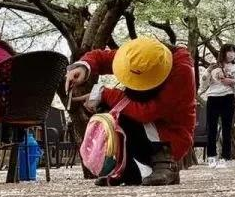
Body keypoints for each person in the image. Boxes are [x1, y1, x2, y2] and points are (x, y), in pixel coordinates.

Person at [66, 37, 196, 186]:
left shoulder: (182, 70)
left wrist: (105, 94)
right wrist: (83, 67)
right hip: (146, 127)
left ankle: (167, 164)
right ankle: (127, 171)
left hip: (171, 134)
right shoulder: (137, 56)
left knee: (119, 106)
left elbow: (150, 111)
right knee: (113, 112)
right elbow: (101, 57)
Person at [199, 43, 235, 166]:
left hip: (228, 98)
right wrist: (208, 72)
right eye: (228, 51)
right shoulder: (214, 66)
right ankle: (211, 157)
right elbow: (203, 84)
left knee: (227, 128)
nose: (231, 54)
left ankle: (226, 157)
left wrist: (232, 81)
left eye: (233, 51)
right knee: (212, 128)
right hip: (213, 97)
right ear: (223, 53)